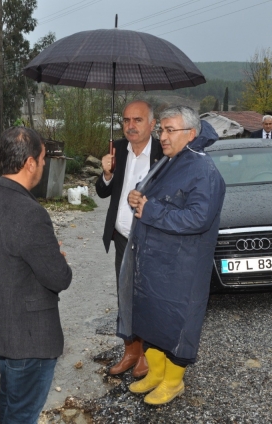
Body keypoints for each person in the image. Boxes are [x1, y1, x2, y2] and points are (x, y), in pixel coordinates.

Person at [0, 127, 72, 423]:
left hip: (1, 328)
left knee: (10, 402)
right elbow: (59, 278)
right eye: (43, 158)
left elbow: (1, 256)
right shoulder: (29, 212)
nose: (45, 164)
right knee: (22, 413)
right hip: (29, 337)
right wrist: (56, 256)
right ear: (30, 163)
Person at [126, 106, 225, 405]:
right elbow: (156, 198)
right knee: (152, 320)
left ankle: (173, 382)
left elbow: (198, 218)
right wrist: (137, 196)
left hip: (182, 268)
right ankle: (156, 374)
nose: (163, 136)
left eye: (170, 130)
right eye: (162, 130)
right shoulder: (170, 161)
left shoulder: (204, 170)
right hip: (157, 264)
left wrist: (150, 209)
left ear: (191, 134)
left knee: (177, 324)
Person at [95, 100, 163, 378]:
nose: (130, 126)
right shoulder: (118, 151)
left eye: (137, 120)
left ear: (152, 124)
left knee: (148, 296)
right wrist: (107, 173)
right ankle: (130, 350)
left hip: (151, 239)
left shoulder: (163, 153)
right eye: (126, 120)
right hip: (123, 237)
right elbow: (101, 192)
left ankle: (148, 352)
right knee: (125, 295)